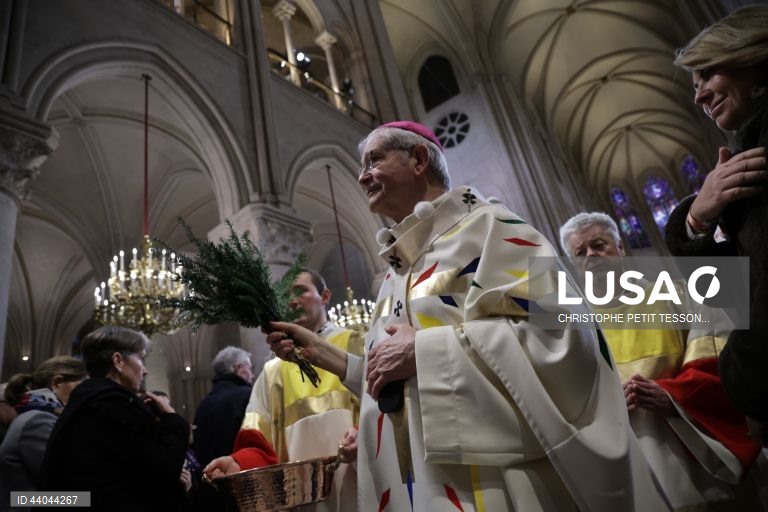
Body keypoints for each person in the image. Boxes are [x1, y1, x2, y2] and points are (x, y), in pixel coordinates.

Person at [265, 121, 670, 511]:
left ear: (419, 159)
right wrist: (329, 357)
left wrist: (425, 350)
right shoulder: (396, 273)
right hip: (423, 486)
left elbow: (564, 336)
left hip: (495, 481)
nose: (362, 176)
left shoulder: (494, 229)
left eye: (374, 160)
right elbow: (395, 383)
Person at [560, 211, 762, 511]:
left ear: (620, 249)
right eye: (580, 252)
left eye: (599, 245)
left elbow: (721, 357)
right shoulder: (573, 331)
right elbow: (569, 404)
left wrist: (674, 396)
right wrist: (607, 408)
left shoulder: (678, 295)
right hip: (632, 467)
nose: (591, 255)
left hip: (701, 458)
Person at [662, 5, 768, 443]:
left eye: (706, 74)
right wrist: (697, 217)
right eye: (694, 85)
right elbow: (732, 295)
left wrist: (746, 375)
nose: (699, 97)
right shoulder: (745, 161)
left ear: (749, 56)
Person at [204, 269, 363, 512]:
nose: (292, 300)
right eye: (285, 295)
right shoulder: (272, 371)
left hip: (360, 487)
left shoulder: (356, 345)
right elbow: (259, 442)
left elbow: (388, 409)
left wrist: (365, 436)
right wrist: (239, 463)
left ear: (325, 296)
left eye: (301, 291)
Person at [39, 326, 190, 512]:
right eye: (141, 358)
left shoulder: (86, 400)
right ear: (118, 360)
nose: (145, 370)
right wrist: (173, 419)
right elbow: (163, 472)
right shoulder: (114, 405)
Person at [0, 356, 87, 509]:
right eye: (82, 387)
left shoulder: (36, 416)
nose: (85, 395)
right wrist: (85, 500)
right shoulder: (37, 421)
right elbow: (63, 480)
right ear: (57, 382)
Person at [192, 347, 253, 511]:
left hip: (210, 492)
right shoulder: (246, 396)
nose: (252, 375)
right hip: (241, 488)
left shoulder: (204, 404)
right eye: (250, 368)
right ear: (238, 368)